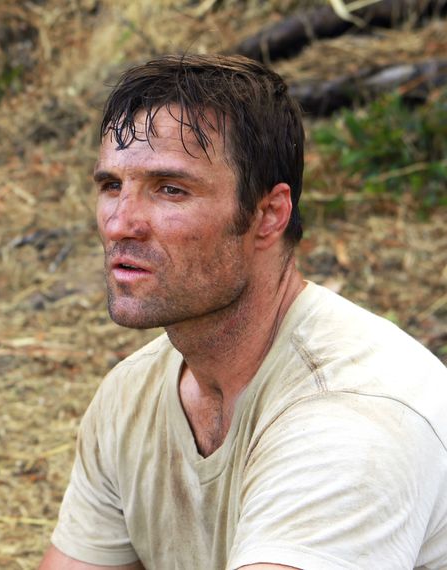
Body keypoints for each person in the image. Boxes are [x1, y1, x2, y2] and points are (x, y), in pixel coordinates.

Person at [40, 54, 447, 570]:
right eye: (111, 186)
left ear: (268, 215)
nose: (121, 223)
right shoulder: (131, 396)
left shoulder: (351, 415)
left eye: (170, 189)